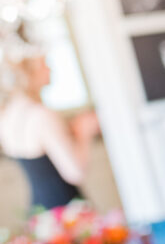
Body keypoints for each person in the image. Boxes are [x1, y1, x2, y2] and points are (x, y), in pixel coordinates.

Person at [0, 38, 99, 210]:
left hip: (39, 210)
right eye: (44, 64)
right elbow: (75, 172)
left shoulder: (6, 115)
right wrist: (85, 132)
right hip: (66, 211)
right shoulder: (42, 115)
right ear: (29, 73)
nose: (50, 69)